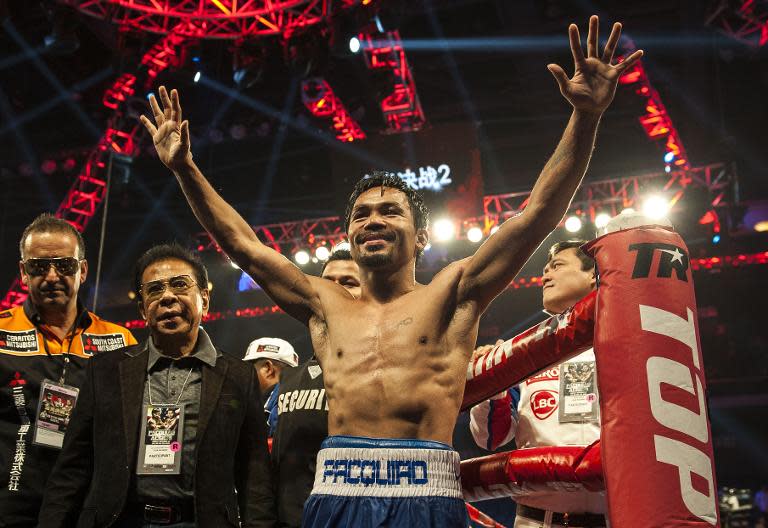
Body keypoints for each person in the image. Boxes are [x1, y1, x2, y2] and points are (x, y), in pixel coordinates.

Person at [140, 16, 642, 527]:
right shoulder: (324, 303)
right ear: (349, 237)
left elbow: (537, 213)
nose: (373, 220)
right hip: (336, 491)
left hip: (426, 493)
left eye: (389, 211)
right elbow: (244, 246)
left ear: (421, 236)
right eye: (361, 214)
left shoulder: (454, 291)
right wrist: (185, 168)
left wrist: (586, 117)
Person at [38, 243, 276, 527]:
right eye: (154, 290)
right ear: (142, 308)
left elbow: (255, 474)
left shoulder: (239, 375)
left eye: (179, 285)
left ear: (205, 299)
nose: (167, 297)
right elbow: (72, 469)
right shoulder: (105, 371)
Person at [0, 213, 137, 527]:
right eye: (38, 266)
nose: (51, 276)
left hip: (87, 506)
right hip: (12, 505)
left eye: (64, 265)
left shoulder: (119, 340)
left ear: (83, 270)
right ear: (23, 272)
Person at [469, 240, 604, 528]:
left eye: (557, 266)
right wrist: (494, 383)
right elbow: (492, 438)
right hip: (536, 520)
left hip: (613, 517)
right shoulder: (523, 352)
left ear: (593, 274)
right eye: (544, 270)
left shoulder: (620, 343)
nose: (545, 276)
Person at [269, 249, 361, 527]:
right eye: (327, 281)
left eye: (348, 282)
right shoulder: (287, 380)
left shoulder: (392, 369)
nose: (334, 290)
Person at [243, 336, 299, 428]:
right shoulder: (296, 398)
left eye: (249, 369)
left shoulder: (278, 406)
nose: (244, 375)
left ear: (268, 368)